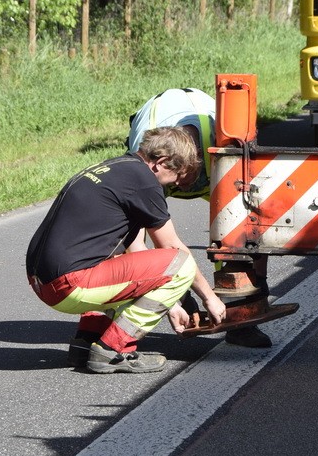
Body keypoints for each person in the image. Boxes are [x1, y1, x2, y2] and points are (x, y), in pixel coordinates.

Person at [26, 126, 227, 374]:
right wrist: (210, 298)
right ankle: (113, 350)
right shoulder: (144, 183)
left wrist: (171, 304)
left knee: (116, 261)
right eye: (177, 175)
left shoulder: (118, 168)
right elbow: (172, 247)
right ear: (161, 163)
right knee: (182, 264)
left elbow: (137, 254)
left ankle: (86, 343)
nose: (176, 184)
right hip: (69, 284)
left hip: (43, 281)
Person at [124, 88, 273, 349]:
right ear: (164, 164)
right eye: (179, 179)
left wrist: (255, 288)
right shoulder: (148, 162)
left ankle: (241, 318)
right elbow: (143, 243)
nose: (182, 186)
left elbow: (252, 227)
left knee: (239, 227)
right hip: (163, 164)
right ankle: (115, 328)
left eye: (187, 178)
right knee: (124, 239)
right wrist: (174, 293)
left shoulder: (223, 146)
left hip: (213, 161)